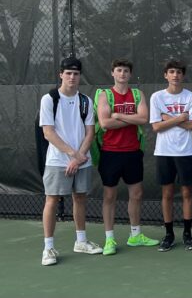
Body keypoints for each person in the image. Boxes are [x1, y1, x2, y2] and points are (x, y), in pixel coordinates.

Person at [39, 57, 102, 265]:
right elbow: (48, 133)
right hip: (57, 161)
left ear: (79, 76)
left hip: (82, 159)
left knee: (80, 198)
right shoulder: (49, 99)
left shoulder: (86, 101)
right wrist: (73, 155)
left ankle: (81, 241)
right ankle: (48, 248)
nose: (72, 77)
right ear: (61, 74)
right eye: (68, 73)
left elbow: (90, 132)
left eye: (75, 74)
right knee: (52, 200)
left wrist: (78, 157)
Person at [96, 59, 159, 256]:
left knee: (136, 194)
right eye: (119, 70)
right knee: (109, 196)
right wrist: (128, 118)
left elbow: (144, 119)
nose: (122, 74)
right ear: (113, 73)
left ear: (130, 75)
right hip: (110, 153)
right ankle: (109, 239)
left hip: (132, 152)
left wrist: (118, 116)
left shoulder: (137, 94)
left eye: (126, 71)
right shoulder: (104, 94)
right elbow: (105, 123)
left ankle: (135, 235)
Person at [149, 60, 192, 252]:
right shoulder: (156, 97)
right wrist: (180, 118)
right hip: (164, 152)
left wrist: (168, 118)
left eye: (179, 72)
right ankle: (169, 234)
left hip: (186, 152)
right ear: (166, 75)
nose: (175, 75)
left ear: (183, 75)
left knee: (187, 193)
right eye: (171, 72)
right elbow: (156, 127)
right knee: (167, 193)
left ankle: (187, 234)